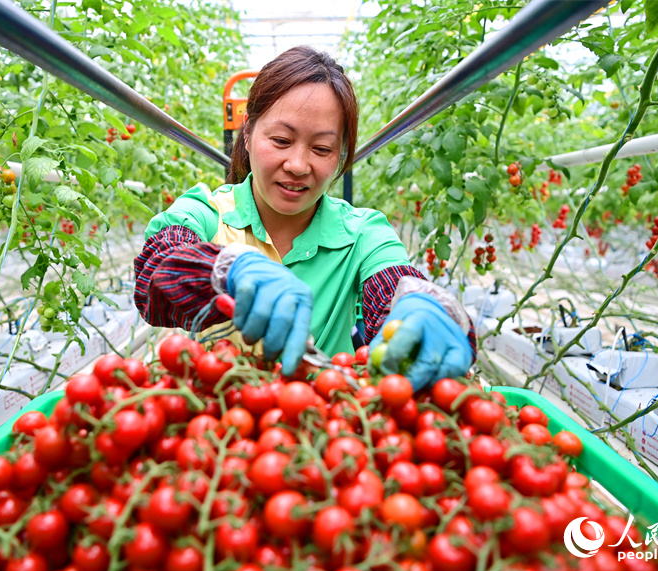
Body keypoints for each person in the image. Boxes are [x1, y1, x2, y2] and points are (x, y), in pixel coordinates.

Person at [134, 46, 475, 390]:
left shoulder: (363, 234)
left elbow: (393, 284)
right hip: (220, 420)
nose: (298, 165)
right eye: (281, 140)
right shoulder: (208, 213)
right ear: (248, 133)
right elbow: (156, 267)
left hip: (328, 426)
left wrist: (420, 309)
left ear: (341, 155)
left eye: (322, 149)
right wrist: (225, 268)